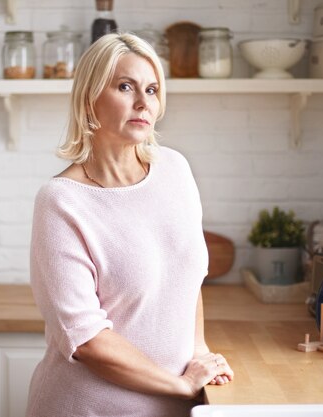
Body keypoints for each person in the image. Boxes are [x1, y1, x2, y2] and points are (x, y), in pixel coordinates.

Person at [27, 32, 234, 417]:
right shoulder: (61, 201)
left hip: (177, 406)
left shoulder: (175, 169)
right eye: (125, 86)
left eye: (152, 89)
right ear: (90, 98)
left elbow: (188, 281)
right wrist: (180, 384)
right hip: (90, 408)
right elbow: (86, 339)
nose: (143, 102)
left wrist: (200, 353)